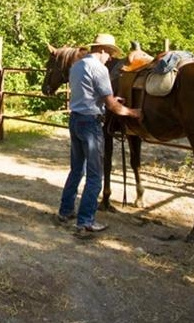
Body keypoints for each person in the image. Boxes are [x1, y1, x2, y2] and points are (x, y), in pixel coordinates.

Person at [58, 33, 142, 236]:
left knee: (76, 169)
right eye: (110, 54)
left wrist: (110, 99)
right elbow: (112, 105)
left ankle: (65, 211)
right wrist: (133, 112)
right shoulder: (100, 69)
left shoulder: (76, 66)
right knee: (95, 175)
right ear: (103, 50)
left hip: (76, 119)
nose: (110, 58)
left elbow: (91, 93)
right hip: (90, 123)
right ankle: (85, 222)